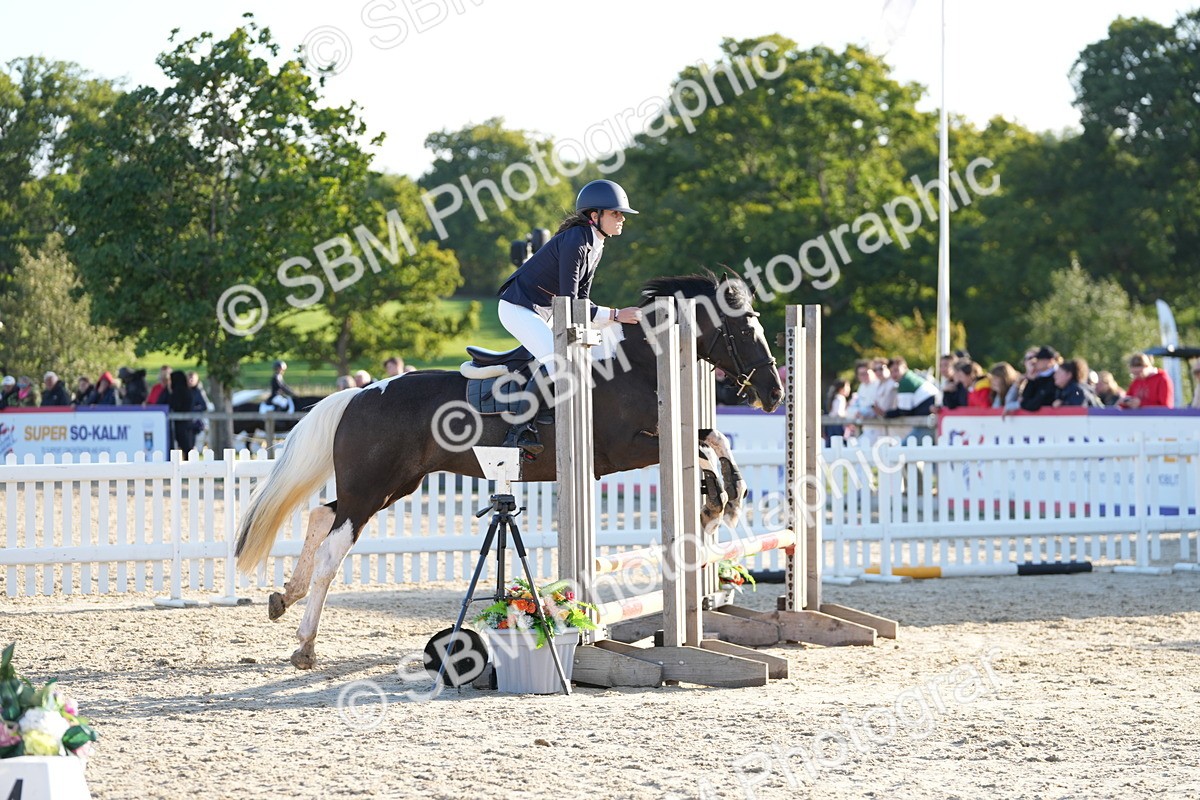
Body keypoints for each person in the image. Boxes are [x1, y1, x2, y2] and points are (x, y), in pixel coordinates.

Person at [495, 179, 644, 455]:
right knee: (558, 360)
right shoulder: (577, 240)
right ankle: (519, 432)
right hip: (519, 308)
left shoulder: (595, 244)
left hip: (545, 310)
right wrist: (615, 314)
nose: (622, 218)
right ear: (594, 215)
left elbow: (581, 301)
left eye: (621, 213)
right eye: (615, 213)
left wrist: (609, 319)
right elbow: (569, 301)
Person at [1017, 346, 1059, 412]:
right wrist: (1031, 380)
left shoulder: (1056, 377)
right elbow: (1024, 402)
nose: (1036, 362)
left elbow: (1036, 404)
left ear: (1050, 361)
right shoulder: (1037, 377)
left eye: (1040, 359)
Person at [187, 371, 211, 444]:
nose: (190, 381)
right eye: (189, 379)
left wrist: (193, 410)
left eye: (192, 379)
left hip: (194, 421)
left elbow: (204, 406)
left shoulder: (199, 392)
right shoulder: (184, 391)